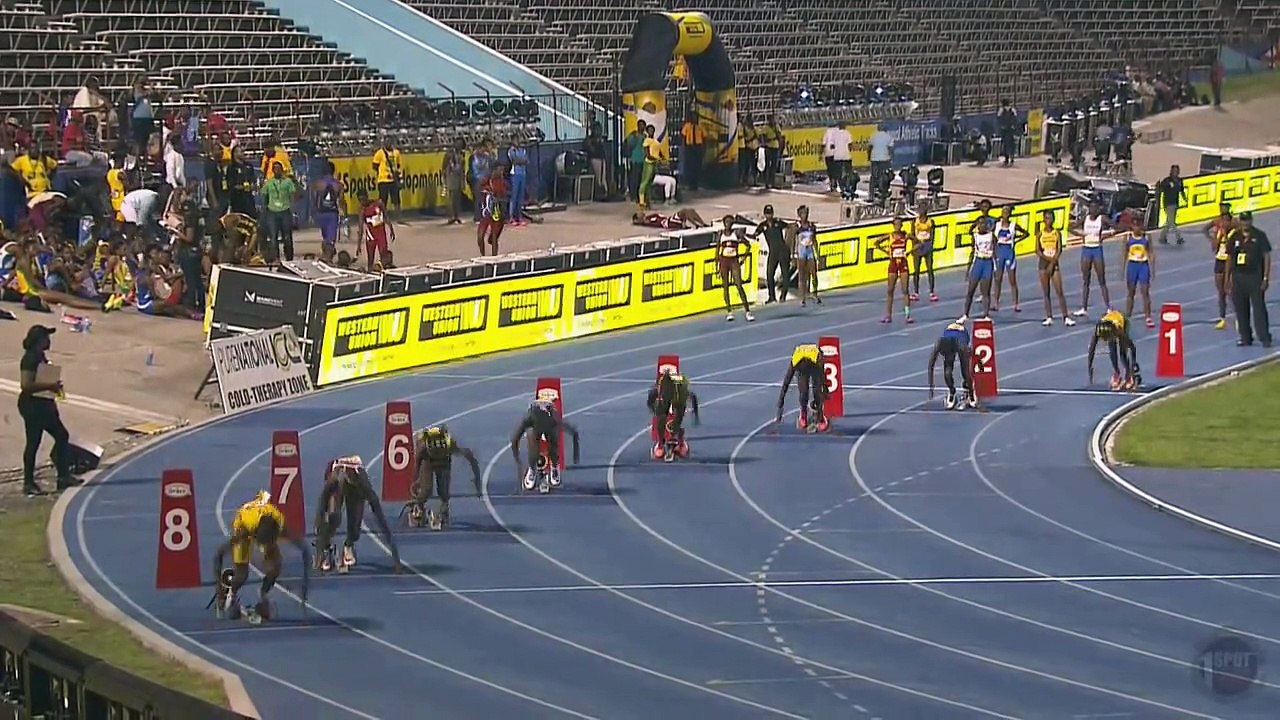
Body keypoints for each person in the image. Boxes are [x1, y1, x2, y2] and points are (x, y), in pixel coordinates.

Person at [212, 490, 310, 622]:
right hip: (245, 520)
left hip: (264, 524)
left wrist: (305, 588)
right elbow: (219, 554)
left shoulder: (280, 525)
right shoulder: (244, 528)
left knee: (275, 566)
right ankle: (231, 593)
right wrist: (219, 587)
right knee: (242, 574)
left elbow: (305, 550)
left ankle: (263, 594)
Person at [312, 455, 401, 573]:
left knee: (355, 527)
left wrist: (396, 558)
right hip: (337, 484)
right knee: (333, 517)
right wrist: (320, 543)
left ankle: (348, 545)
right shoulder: (334, 480)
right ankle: (326, 549)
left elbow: (381, 519)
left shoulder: (362, 484)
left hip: (355, 487)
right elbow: (322, 506)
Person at [18, 325, 78, 497]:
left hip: (43, 405)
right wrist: (49, 385)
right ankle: (29, 483)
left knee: (61, 436)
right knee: (34, 442)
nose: (49, 341)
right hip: (32, 407)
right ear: (38, 340)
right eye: (46, 338)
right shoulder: (29, 359)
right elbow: (26, 384)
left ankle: (63, 476)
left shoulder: (40, 356)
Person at [409, 425, 481, 530]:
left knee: (444, 491)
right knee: (426, 490)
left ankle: (444, 509)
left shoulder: (449, 444)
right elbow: (417, 463)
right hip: (427, 461)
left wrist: (477, 479)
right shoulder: (423, 447)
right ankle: (418, 507)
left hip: (444, 462)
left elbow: (470, 457)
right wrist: (417, 481)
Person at [510, 399, 581, 492]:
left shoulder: (554, 418)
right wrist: (517, 458)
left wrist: (517, 458)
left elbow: (573, 432)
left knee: (554, 437)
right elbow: (515, 437)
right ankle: (532, 469)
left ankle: (554, 466)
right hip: (536, 428)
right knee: (531, 438)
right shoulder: (530, 418)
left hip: (550, 427)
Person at [1226, 212, 1272, 348]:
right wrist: (1228, 278)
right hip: (1238, 277)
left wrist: (1265, 277)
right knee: (1240, 309)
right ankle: (1245, 337)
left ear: (1251, 221)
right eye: (1243, 220)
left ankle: (1264, 337)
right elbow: (1229, 258)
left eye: (1247, 221)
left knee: (1259, 308)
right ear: (1240, 221)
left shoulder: (1259, 236)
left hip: (1254, 276)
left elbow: (1266, 257)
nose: (1245, 223)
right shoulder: (1235, 237)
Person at [775, 343, 829, 432]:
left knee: (817, 390)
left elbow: (822, 378)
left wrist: (825, 390)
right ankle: (803, 412)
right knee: (803, 392)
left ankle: (821, 416)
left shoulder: (817, 359)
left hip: (814, 363)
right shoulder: (795, 362)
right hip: (803, 363)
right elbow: (786, 383)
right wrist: (780, 405)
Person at [928, 319, 980, 410]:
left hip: (961, 337)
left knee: (965, 373)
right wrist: (931, 385)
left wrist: (971, 391)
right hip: (950, 337)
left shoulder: (962, 346)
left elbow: (972, 359)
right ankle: (952, 391)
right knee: (947, 373)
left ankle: (970, 393)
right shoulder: (939, 345)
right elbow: (930, 365)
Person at [1074, 204, 1115, 318]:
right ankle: (1084, 308)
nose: (1094, 210)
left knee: (1102, 279)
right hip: (1086, 249)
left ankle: (1108, 307)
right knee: (1086, 280)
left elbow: (1117, 226)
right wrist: (1079, 235)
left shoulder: (1101, 219)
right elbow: (1070, 227)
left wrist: (1106, 236)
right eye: (1092, 208)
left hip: (1097, 249)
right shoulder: (1085, 218)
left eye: (1095, 208)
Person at [647, 370, 700, 460]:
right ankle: (660, 443)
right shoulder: (660, 389)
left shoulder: (681, 390)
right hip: (665, 404)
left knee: (675, 422)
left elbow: (692, 396)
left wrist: (695, 413)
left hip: (678, 404)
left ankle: (680, 441)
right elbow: (651, 398)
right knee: (661, 420)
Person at [1035, 210, 1075, 327]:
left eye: (1050, 218)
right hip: (1043, 264)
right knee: (1046, 292)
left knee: (1059, 291)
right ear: (1043, 220)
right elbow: (1037, 250)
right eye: (1046, 218)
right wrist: (1047, 259)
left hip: (1054, 263)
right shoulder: (1040, 234)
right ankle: (1049, 316)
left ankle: (1066, 316)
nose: (1048, 221)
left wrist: (1053, 261)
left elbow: (1059, 249)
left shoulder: (1056, 233)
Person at [961, 200, 996, 321]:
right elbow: (972, 252)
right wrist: (968, 269)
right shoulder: (975, 237)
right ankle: (965, 314)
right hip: (978, 262)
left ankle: (986, 315)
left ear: (986, 225)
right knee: (971, 289)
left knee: (986, 290)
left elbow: (995, 251)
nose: (981, 226)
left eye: (983, 224)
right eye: (979, 224)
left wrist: (995, 268)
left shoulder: (991, 236)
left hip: (988, 262)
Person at [1088, 309, 1141, 390]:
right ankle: (1117, 372)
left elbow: (1132, 347)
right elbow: (1092, 349)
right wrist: (1090, 366)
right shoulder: (1098, 330)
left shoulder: (1119, 329)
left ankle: (1128, 374)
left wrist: (1133, 363)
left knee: (1122, 351)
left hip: (1122, 320)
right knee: (1112, 348)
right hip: (1110, 323)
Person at [874, 216, 913, 324]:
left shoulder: (905, 235)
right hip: (893, 264)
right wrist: (886, 251)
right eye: (896, 224)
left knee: (905, 290)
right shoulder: (890, 236)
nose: (897, 226)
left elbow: (918, 242)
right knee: (890, 290)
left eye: (899, 224)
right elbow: (876, 243)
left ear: (902, 225)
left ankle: (907, 315)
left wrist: (910, 252)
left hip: (903, 263)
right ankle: (888, 315)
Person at [1205, 204, 1237, 330]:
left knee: (1230, 291)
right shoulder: (1218, 232)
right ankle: (1222, 318)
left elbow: (1231, 247)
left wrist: (1225, 234)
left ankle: (1237, 318)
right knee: (1221, 292)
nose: (1223, 223)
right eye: (1222, 221)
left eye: (1226, 221)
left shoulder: (1234, 233)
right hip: (1220, 261)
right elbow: (1214, 248)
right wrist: (1215, 238)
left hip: (1231, 263)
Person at [752, 204, 791, 304]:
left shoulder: (778, 222)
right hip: (773, 252)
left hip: (782, 250)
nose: (769, 216)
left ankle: (783, 295)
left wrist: (789, 241)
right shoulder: (763, 226)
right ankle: (771, 296)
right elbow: (754, 235)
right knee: (769, 274)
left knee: (785, 274)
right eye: (767, 213)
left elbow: (790, 227)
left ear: (772, 214)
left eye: (770, 213)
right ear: (764, 214)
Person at [716, 216, 754, 322]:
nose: (727, 224)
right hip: (724, 261)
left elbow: (748, 245)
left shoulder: (736, 234)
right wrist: (717, 265)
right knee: (725, 287)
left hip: (734, 261)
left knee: (738, 285)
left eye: (729, 222)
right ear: (723, 223)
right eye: (726, 222)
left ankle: (747, 311)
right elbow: (717, 250)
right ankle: (729, 311)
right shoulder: (720, 234)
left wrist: (743, 258)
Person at [992, 205, 1027, 313]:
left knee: (1012, 280)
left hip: (1009, 253)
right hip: (999, 252)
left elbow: (1026, 233)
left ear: (1009, 214)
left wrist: (1015, 241)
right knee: (998, 279)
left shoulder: (1013, 226)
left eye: (1007, 212)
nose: (1004, 214)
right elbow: (991, 236)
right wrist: (994, 248)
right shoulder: (996, 225)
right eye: (1003, 212)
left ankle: (1016, 304)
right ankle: (996, 303)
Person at [1123, 221, 1156, 328]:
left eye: (1139, 225)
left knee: (1145, 291)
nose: (1137, 228)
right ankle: (1128, 316)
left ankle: (1148, 317)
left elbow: (1151, 252)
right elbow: (1124, 253)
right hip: (1132, 266)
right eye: (1135, 226)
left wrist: (1153, 268)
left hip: (1143, 266)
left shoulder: (1146, 237)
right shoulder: (1128, 237)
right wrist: (1123, 268)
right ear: (1132, 227)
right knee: (1131, 292)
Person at [789, 205, 820, 306]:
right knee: (802, 276)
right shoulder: (797, 227)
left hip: (810, 251)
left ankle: (815, 294)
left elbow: (814, 240)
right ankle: (802, 298)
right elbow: (793, 241)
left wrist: (817, 254)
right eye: (802, 213)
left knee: (814, 274)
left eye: (806, 213)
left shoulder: (812, 226)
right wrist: (793, 255)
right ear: (799, 215)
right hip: (801, 252)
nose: (804, 215)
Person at [312, 162, 343, 263]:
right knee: (330, 239)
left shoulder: (318, 184)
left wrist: (314, 212)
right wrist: (345, 214)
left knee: (325, 238)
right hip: (332, 213)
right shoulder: (338, 185)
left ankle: (326, 257)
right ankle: (328, 259)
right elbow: (341, 201)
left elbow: (314, 199)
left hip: (321, 212)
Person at [357, 189, 394, 272]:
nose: (362, 202)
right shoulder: (362, 210)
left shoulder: (379, 203)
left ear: (367, 197)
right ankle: (371, 274)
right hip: (371, 236)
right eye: (360, 200)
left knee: (383, 255)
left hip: (381, 233)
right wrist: (359, 245)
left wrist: (391, 228)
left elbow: (386, 216)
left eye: (363, 199)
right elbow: (360, 228)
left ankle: (384, 273)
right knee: (370, 258)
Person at [477, 163, 508, 256]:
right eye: (499, 170)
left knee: (494, 238)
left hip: (496, 213)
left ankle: (495, 258)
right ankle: (483, 256)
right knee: (480, 237)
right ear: (494, 170)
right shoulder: (487, 180)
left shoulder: (502, 182)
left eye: (502, 171)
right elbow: (479, 189)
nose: (501, 172)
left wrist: (497, 199)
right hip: (486, 213)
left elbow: (505, 198)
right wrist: (485, 191)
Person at [910, 207, 938, 303]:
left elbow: (932, 235)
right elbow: (912, 234)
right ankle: (916, 292)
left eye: (923, 210)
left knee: (930, 269)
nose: (922, 212)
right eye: (920, 210)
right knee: (916, 270)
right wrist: (916, 245)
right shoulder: (915, 221)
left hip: (927, 245)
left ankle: (932, 292)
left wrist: (929, 245)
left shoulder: (930, 221)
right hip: (918, 245)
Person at [1156, 165, 1185, 245]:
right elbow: (1160, 189)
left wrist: (1184, 198)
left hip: (1175, 203)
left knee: (1169, 222)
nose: (1176, 172)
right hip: (1168, 203)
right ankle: (1179, 237)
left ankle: (1162, 237)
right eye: (1174, 171)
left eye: (1177, 171)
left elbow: (1181, 190)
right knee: (1172, 222)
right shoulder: (1167, 181)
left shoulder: (1179, 181)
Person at [632, 207, 708, 230]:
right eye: (639, 214)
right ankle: (696, 225)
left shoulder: (649, 217)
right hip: (668, 223)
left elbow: (657, 215)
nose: (641, 212)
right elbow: (638, 222)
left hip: (669, 220)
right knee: (684, 211)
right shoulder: (645, 221)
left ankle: (702, 223)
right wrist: (639, 220)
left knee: (691, 210)